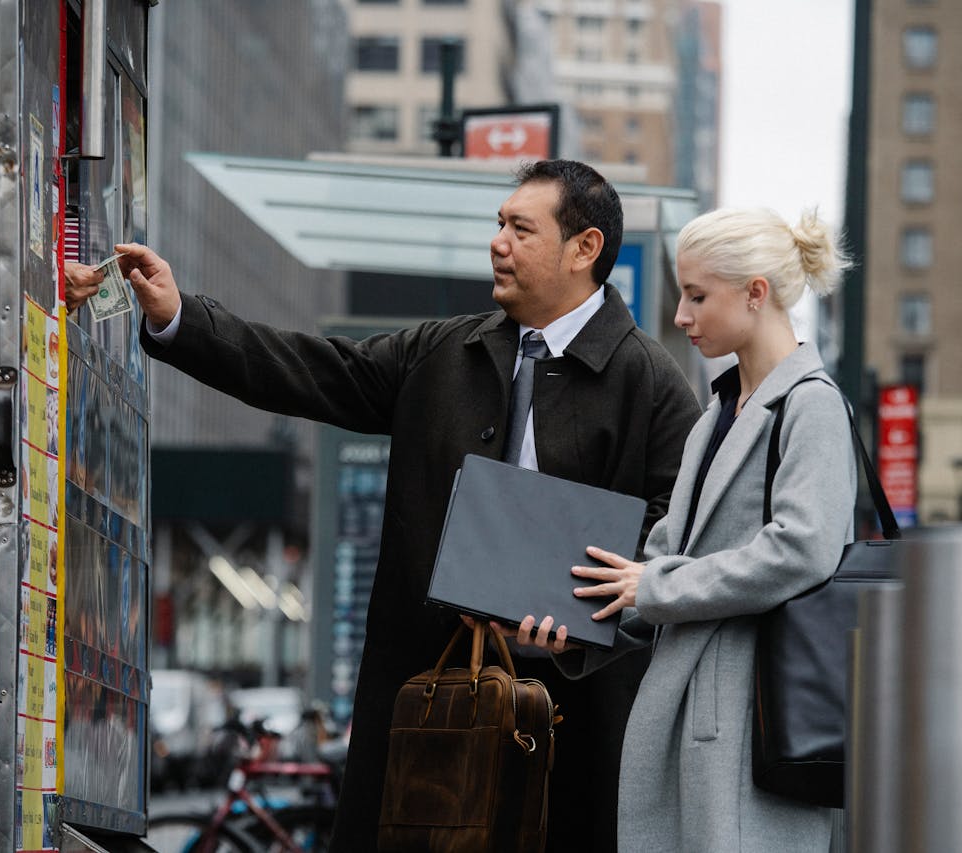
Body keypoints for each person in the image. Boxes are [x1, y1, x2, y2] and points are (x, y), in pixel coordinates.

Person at [65, 159, 701, 852]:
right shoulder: (440, 353)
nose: (498, 242)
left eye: (521, 228)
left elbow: (674, 544)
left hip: (574, 728)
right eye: (499, 224)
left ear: (585, 250)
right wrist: (180, 317)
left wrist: (587, 619)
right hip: (423, 707)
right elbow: (309, 369)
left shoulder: (652, 383)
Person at [514, 206, 857, 853]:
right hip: (694, 716)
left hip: (754, 719)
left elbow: (802, 549)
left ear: (756, 292)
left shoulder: (811, 403)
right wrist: (578, 627)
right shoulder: (717, 414)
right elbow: (662, 563)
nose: (680, 316)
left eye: (697, 296)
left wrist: (653, 584)